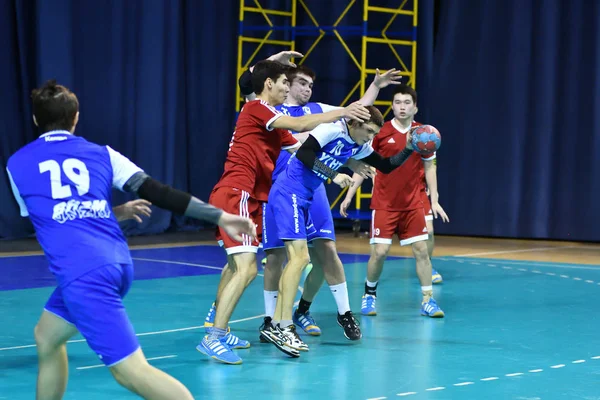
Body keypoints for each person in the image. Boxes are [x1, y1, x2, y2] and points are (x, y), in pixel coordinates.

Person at [6, 80, 258, 399]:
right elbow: (158, 192)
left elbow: (54, 219)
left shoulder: (17, 165)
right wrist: (220, 216)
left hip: (83, 275)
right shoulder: (103, 154)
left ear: (35, 120)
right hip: (116, 263)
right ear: (76, 117)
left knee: (131, 372)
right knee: (46, 336)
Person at [197, 59, 372, 364]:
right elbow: (302, 124)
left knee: (238, 268)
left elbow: (304, 150)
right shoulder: (258, 109)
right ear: (269, 85)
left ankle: (220, 331)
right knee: (247, 269)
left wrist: (344, 166)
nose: (286, 89)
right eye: (283, 83)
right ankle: (213, 337)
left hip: (249, 198)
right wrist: (344, 111)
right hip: (236, 192)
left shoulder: (272, 124)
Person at [261, 105, 417, 356]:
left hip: (306, 198)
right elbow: (304, 154)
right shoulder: (331, 129)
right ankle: (282, 325)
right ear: (355, 124)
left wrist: (410, 147)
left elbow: (386, 166)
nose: (371, 138)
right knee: (298, 259)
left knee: (310, 258)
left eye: (375, 134)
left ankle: (283, 324)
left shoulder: (358, 145)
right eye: (368, 131)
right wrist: (333, 175)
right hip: (288, 191)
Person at [340, 85, 449, 318]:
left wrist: (435, 198)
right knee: (380, 252)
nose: (402, 106)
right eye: (398, 102)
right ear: (392, 106)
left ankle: (428, 300)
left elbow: (430, 166)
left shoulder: (423, 134)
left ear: (415, 107)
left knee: (421, 249)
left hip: (413, 203)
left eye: (407, 102)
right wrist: (350, 193)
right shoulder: (380, 131)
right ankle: (369, 295)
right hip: (384, 203)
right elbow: (364, 164)